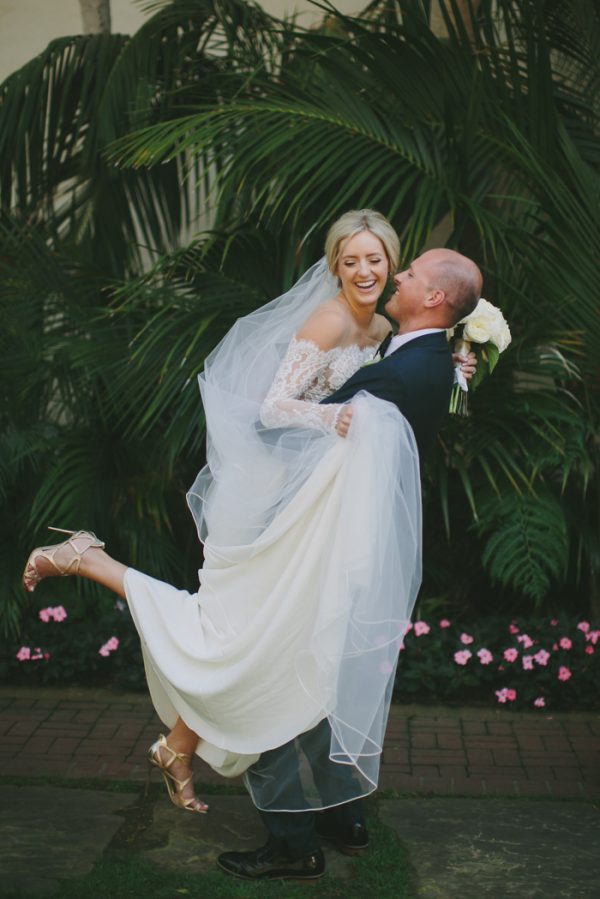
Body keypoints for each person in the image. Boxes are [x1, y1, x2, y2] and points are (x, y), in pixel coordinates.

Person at [21, 210, 477, 828]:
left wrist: (456, 368)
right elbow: (270, 410)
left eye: (378, 260)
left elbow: (410, 364)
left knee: (261, 642)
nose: (365, 271)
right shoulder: (330, 319)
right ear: (334, 266)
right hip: (271, 496)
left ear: (396, 268)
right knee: (233, 637)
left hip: (322, 507)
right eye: (351, 261)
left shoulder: (386, 328)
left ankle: (177, 748)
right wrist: (329, 419)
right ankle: (86, 558)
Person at [217, 245, 482, 882]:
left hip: (329, 537)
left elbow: (312, 418)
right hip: (358, 536)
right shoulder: (421, 354)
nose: (394, 276)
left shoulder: (409, 370)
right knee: (328, 675)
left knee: (280, 675)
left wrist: (312, 416)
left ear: (434, 300)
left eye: (408, 272)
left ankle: (292, 844)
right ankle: (343, 816)